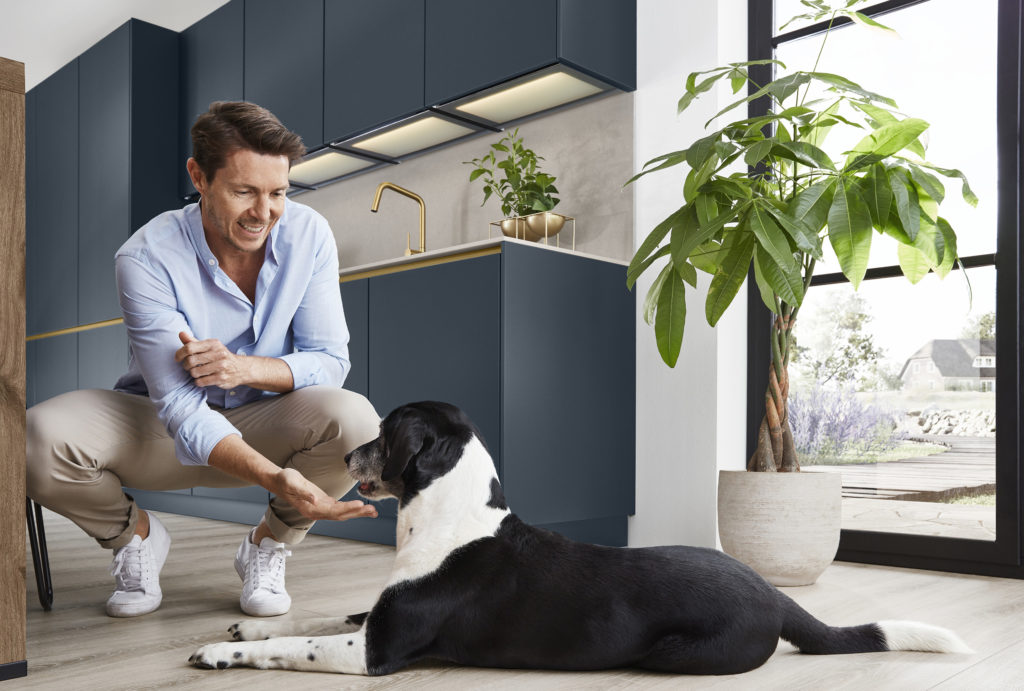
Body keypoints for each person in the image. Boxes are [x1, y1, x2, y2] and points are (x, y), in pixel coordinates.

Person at [26, 101, 381, 618]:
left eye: (278, 192)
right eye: (244, 192)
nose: (264, 213)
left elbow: (330, 360)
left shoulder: (309, 235)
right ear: (199, 177)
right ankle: (135, 537)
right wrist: (275, 477)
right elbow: (182, 407)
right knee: (32, 438)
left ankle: (267, 544)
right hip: (160, 427)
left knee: (357, 422)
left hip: (269, 419)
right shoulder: (146, 257)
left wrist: (247, 368)